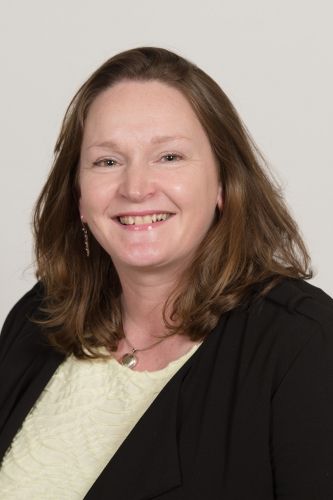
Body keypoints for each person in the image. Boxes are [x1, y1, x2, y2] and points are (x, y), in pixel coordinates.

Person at [0, 46, 332, 500]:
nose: (136, 188)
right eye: (107, 161)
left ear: (223, 183)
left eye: (169, 157)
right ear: (78, 194)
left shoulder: (305, 344)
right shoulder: (38, 317)